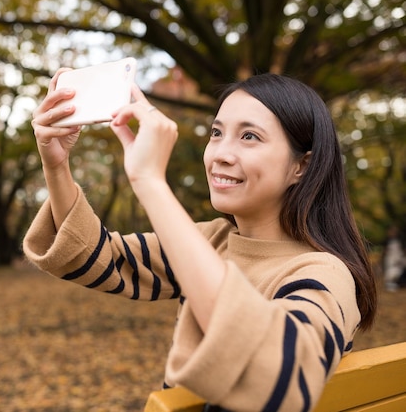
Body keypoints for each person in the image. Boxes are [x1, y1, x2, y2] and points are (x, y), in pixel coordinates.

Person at [23, 70, 377, 412]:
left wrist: (150, 182)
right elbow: (99, 259)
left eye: (249, 136)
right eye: (216, 133)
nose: (220, 154)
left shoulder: (325, 273)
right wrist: (56, 166)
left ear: (301, 166)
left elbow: (279, 379)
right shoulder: (212, 240)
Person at [383, 226, 405, 291]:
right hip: (390, 259)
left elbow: (402, 250)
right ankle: (390, 285)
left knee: (398, 271)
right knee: (389, 272)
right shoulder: (386, 240)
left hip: (398, 258)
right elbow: (385, 251)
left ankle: (398, 283)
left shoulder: (401, 240)